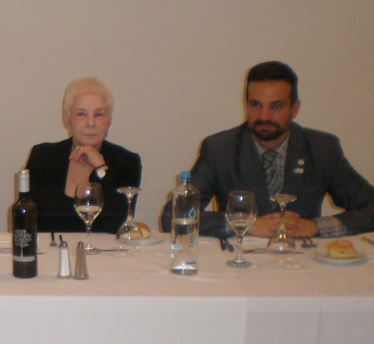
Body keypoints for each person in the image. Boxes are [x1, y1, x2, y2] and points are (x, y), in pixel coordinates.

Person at [161, 61, 374, 237]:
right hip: (240, 261)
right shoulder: (220, 149)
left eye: (276, 106)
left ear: (295, 109)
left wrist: (316, 226)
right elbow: (172, 216)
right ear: (246, 104)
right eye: (256, 105)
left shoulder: (322, 149)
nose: (264, 116)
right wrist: (246, 224)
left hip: (303, 261)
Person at [24, 76, 142, 233]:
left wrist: (101, 167)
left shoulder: (127, 162)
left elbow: (117, 225)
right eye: (81, 114)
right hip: (49, 248)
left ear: (109, 119)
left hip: (103, 249)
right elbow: (26, 222)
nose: (90, 123)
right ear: (67, 118)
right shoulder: (42, 157)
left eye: (99, 114)